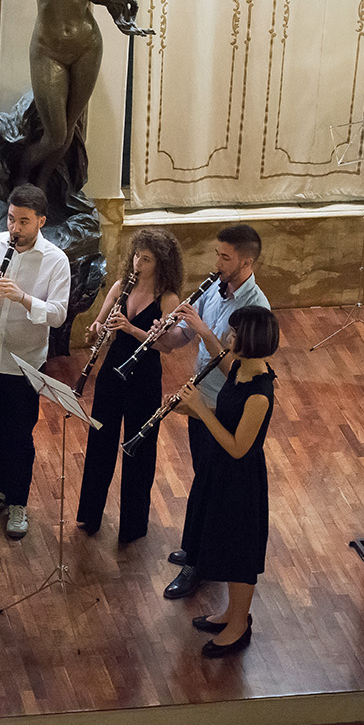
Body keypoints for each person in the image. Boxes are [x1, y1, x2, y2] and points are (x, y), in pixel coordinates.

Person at [0, 0, 151, 192]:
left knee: (69, 131)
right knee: (55, 134)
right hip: (47, 47)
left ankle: (42, 185)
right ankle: (21, 176)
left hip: (86, 46)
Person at [156, 223, 271, 599]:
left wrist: (205, 331)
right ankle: (197, 548)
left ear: (246, 261)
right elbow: (183, 338)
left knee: (215, 487)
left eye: (225, 257)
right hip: (201, 398)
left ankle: (200, 565)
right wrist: (162, 335)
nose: (217, 262)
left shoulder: (255, 310)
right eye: (216, 254)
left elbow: (240, 374)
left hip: (227, 406)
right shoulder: (216, 290)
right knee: (202, 479)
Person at [171, 306, 279, 657]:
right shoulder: (240, 371)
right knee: (226, 545)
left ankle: (239, 625)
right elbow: (229, 411)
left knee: (240, 553)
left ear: (248, 340)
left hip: (241, 482)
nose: (229, 338)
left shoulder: (260, 392)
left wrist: (201, 410)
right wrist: (192, 408)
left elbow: (238, 446)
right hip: (222, 474)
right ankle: (232, 613)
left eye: (233, 334)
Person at [0, 184, 71, 540]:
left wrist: (23, 297)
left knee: (19, 436)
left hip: (24, 364)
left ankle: (19, 503)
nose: (15, 228)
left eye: (24, 221)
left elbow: (57, 315)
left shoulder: (56, 260)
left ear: (41, 220)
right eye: (11, 219)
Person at [75, 228, 184, 543]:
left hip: (144, 377)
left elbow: (165, 347)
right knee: (100, 443)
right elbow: (99, 323)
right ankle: (90, 515)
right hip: (112, 372)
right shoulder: (122, 286)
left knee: (139, 449)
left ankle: (133, 526)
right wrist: (96, 331)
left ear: (160, 263)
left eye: (146, 259)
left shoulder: (168, 299)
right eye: (137, 255)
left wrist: (131, 329)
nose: (138, 262)